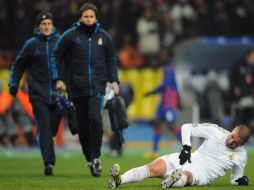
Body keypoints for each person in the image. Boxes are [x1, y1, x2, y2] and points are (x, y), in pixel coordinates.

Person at [52, 2, 119, 177]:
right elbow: (56, 56)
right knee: (82, 125)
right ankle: (89, 158)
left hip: (97, 86)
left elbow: (111, 60)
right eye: (85, 16)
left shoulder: (104, 37)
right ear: (80, 18)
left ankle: (96, 159)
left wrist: (114, 80)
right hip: (77, 87)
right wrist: (58, 78)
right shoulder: (70, 36)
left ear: (96, 18)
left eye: (91, 16)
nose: (88, 20)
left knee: (96, 119)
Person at [108, 123, 250, 188]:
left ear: (242, 145)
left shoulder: (241, 155)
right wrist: (187, 148)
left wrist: (240, 180)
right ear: (233, 130)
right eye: (232, 136)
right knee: (151, 168)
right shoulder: (216, 131)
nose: (231, 141)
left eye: (236, 142)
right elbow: (186, 127)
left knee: (186, 175)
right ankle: (118, 181)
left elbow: (235, 179)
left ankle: (172, 182)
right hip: (189, 157)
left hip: (203, 173)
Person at [8, 11, 63, 175]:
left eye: (49, 24)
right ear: (38, 27)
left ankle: (43, 137)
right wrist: (13, 83)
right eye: (43, 24)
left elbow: (70, 64)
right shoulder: (31, 44)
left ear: (52, 25)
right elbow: (18, 65)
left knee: (52, 129)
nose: (46, 27)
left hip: (57, 95)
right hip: (38, 94)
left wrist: (66, 81)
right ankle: (49, 163)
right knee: (45, 127)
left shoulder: (60, 42)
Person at [144, 48, 180, 158]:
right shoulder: (164, 69)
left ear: (169, 57)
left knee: (171, 126)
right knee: (157, 123)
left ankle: (187, 146)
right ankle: (154, 150)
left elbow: (165, 86)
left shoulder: (170, 69)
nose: (162, 57)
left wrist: (152, 92)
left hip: (169, 104)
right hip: (162, 103)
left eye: (164, 55)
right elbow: (175, 86)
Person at [229, 49, 254, 130]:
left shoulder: (252, 67)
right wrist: (235, 87)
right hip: (240, 96)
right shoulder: (238, 65)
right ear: (248, 56)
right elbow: (232, 78)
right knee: (241, 116)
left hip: (250, 95)